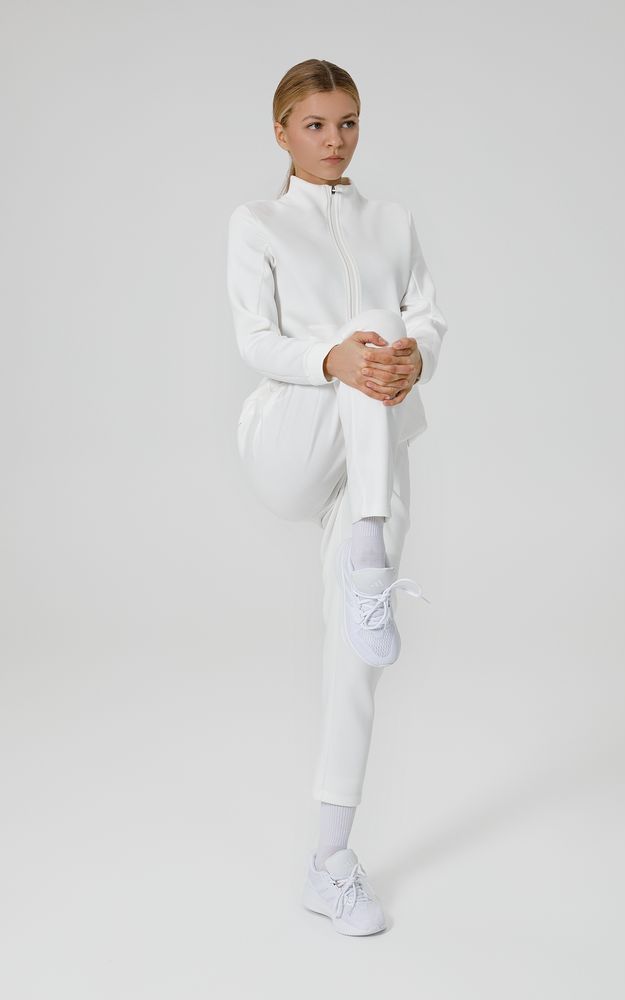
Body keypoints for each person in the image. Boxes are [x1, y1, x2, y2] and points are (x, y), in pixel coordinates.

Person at [226, 58, 447, 935]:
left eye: (347, 122)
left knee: (356, 662)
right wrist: (336, 357)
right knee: (374, 329)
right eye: (315, 124)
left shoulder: (392, 220)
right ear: (281, 130)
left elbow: (429, 319)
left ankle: (331, 862)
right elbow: (254, 340)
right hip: (290, 435)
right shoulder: (258, 222)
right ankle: (370, 556)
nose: (334, 139)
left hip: (372, 453)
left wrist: (413, 358)